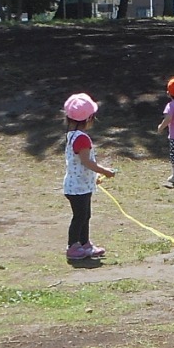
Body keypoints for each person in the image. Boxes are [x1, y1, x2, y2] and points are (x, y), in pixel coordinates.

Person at [61, 93, 116, 264]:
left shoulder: (72, 135)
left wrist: (94, 177)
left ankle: (84, 244)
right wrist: (104, 171)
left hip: (81, 185)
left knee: (85, 215)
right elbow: (86, 161)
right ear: (89, 118)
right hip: (77, 188)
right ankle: (73, 246)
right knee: (79, 217)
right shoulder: (82, 139)